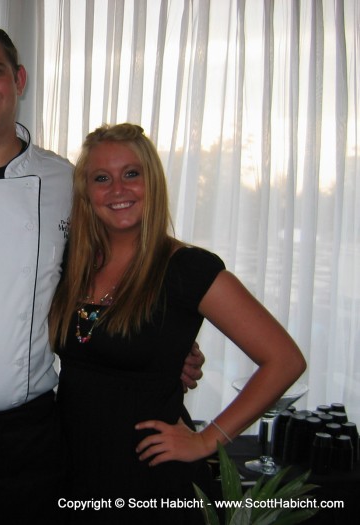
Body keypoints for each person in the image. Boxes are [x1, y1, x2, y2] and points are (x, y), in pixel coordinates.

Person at [0, 20, 204, 523]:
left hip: (35, 427)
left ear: (20, 80)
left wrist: (167, 341)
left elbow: (115, 268)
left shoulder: (66, 181)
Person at [49, 123, 307, 523]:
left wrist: (207, 439)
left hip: (150, 477)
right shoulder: (72, 263)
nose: (118, 190)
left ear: (152, 183)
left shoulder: (187, 269)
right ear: (86, 192)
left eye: (131, 174)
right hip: (72, 468)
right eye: (102, 178)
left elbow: (284, 360)